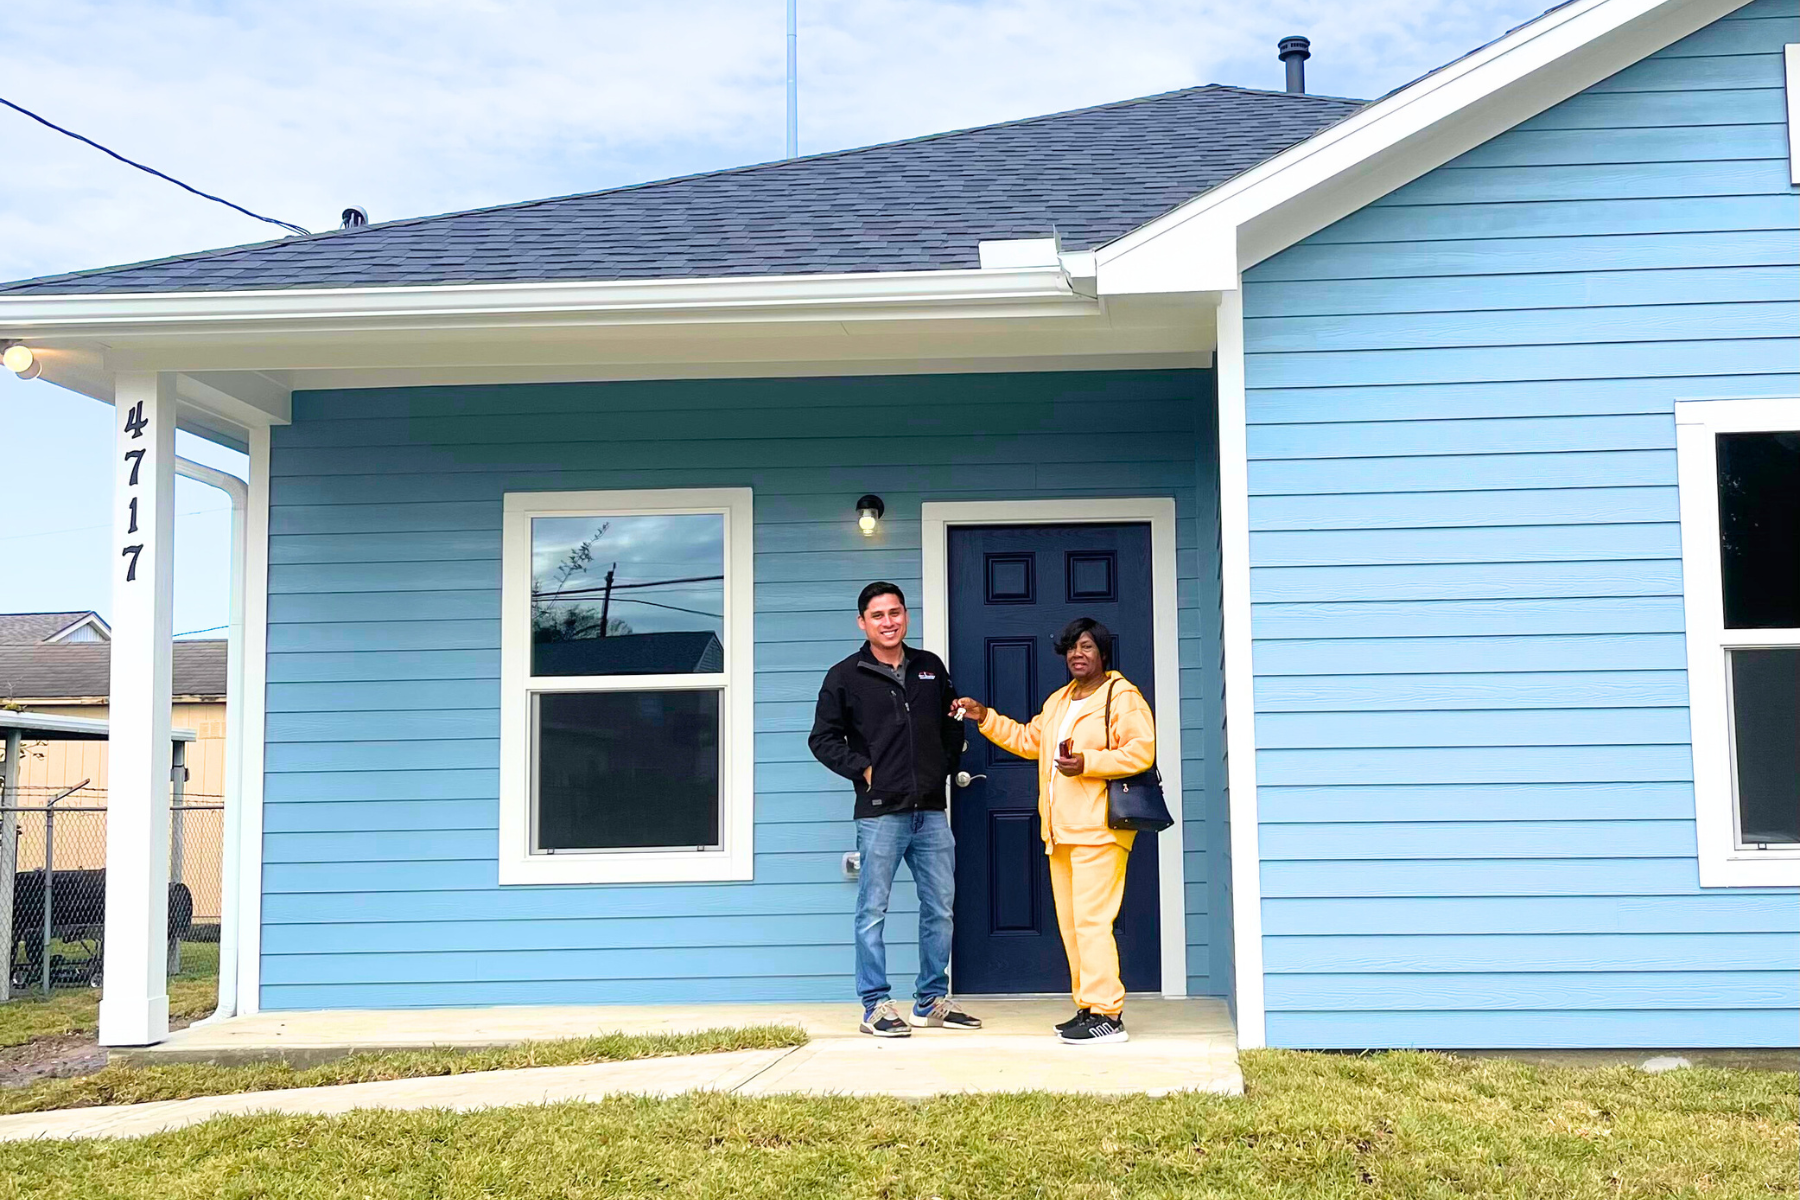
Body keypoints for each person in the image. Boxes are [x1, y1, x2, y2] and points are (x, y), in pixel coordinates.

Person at [950, 617, 1155, 1044]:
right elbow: (1028, 740)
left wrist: (1090, 763)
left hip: (1100, 828)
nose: (1078, 654)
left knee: (1093, 921)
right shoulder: (1061, 700)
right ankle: (1088, 1005)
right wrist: (984, 717)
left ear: (1102, 652)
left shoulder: (1121, 696)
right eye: (1071, 648)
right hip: (1061, 831)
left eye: (1087, 647)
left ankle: (1108, 1015)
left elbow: (1141, 750)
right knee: (1072, 924)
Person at [809, 581, 982, 1038]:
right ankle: (875, 1005)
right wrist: (865, 771)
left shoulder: (930, 668)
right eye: (878, 615)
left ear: (906, 616)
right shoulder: (845, 675)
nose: (889, 622)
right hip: (881, 812)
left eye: (896, 612)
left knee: (940, 907)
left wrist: (946, 766)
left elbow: (951, 724)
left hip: (930, 810)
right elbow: (822, 740)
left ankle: (930, 1000)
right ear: (862, 622)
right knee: (873, 910)